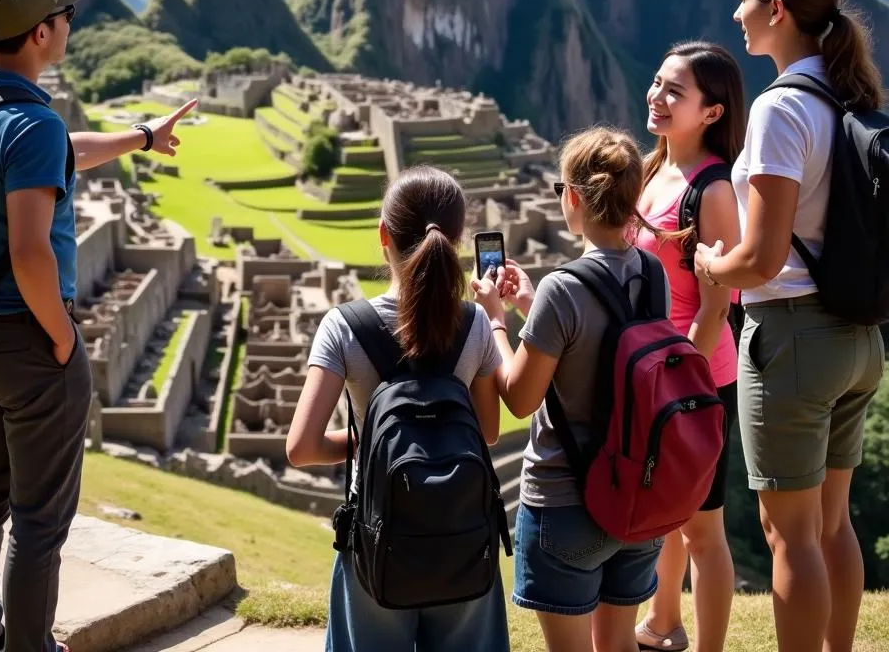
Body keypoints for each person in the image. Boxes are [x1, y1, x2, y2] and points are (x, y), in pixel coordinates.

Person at [0, 0, 197, 652]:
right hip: (26, 342)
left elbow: (57, 151)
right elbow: (30, 252)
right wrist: (60, 338)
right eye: (65, 16)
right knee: (38, 520)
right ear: (39, 35)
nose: (69, 24)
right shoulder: (30, 124)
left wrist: (143, 136)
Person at [693, 0, 886, 652]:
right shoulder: (847, 94)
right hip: (858, 339)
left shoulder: (781, 109)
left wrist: (713, 264)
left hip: (795, 338)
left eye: (746, 0)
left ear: (777, 11)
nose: (736, 13)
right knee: (833, 523)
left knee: (788, 533)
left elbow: (762, 256)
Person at [286, 165, 510, 652]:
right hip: (462, 531)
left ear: (383, 235)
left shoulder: (343, 327)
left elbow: (301, 447)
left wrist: (370, 444)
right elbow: (487, 432)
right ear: (456, 240)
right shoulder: (475, 325)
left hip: (377, 532)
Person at [472, 127, 666, 652]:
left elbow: (518, 397)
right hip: (637, 496)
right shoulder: (651, 273)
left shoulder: (564, 289)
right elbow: (607, 348)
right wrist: (532, 306)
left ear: (574, 198)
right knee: (619, 642)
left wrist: (495, 320)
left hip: (566, 503)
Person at [634, 42, 745, 652]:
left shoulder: (713, 191)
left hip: (698, 377)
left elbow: (718, 305)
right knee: (666, 515)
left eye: (675, 91)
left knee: (703, 528)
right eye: (657, 82)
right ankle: (663, 621)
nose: (658, 96)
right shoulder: (653, 172)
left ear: (711, 112)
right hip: (654, 371)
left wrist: (680, 379)